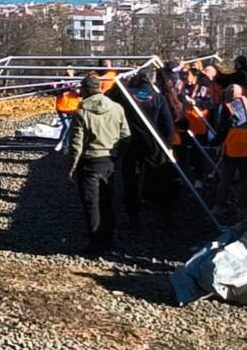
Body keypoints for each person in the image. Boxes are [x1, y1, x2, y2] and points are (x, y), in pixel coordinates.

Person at [68, 74, 131, 256]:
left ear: (85, 90)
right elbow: (125, 134)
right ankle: (109, 238)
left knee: (91, 203)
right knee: (107, 201)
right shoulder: (117, 108)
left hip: (89, 161)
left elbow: (76, 143)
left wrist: (71, 167)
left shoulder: (81, 112)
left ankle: (94, 242)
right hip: (109, 160)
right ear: (100, 88)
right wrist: (117, 153)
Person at [119, 68, 175, 224]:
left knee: (131, 179)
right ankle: (162, 211)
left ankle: (133, 214)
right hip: (153, 144)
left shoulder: (127, 96)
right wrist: (168, 144)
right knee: (159, 175)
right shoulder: (159, 98)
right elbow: (168, 125)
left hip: (131, 142)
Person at [213, 84, 247, 221]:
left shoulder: (229, 107)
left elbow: (223, 128)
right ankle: (242, 207)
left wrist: (214, 141)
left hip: (233, 148)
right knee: (245, 180)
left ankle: (219, 206)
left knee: (226, 178)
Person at [52, 69, 80, 152]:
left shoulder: (78, 81)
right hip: (62, 106)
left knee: (69, 127)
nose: (68, 71)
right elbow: (56, 91)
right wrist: (57, 87)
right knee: (66, 126)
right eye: (67, 69)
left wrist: (75, 89)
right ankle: (61, 142)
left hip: (72, 107)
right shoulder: (61, 80)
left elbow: (80, 92)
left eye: (70, 69)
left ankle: (66, 146)